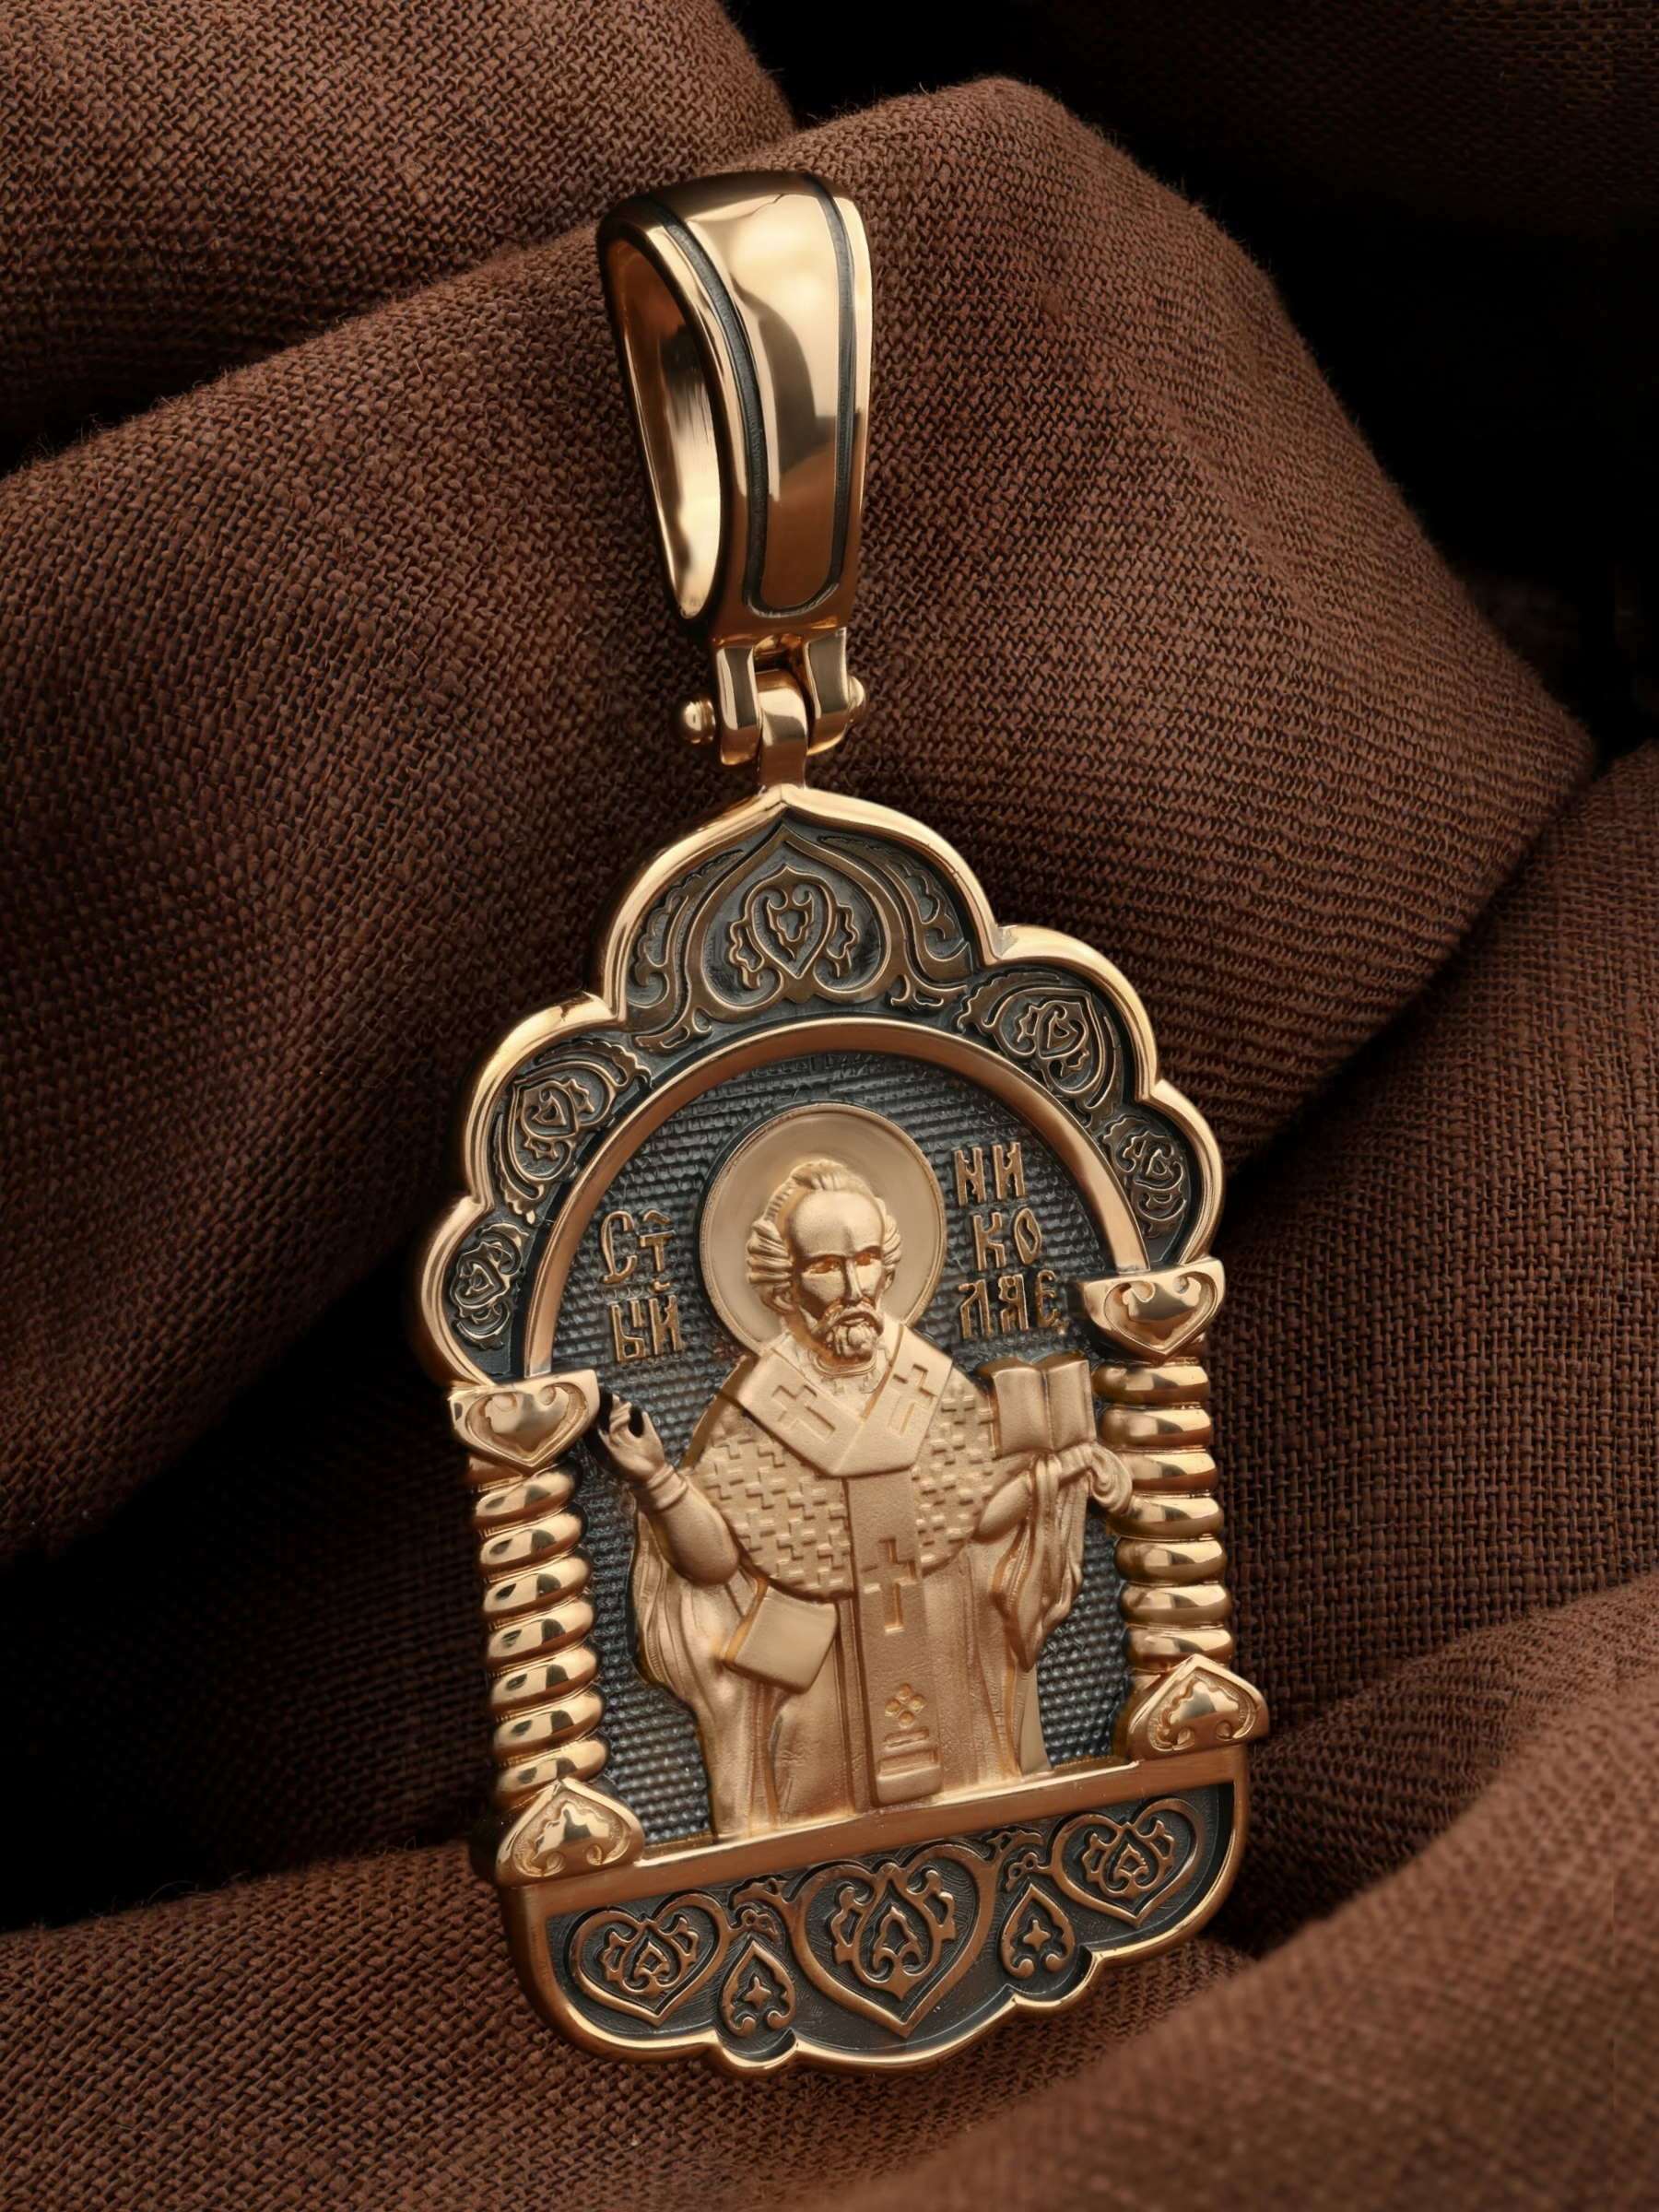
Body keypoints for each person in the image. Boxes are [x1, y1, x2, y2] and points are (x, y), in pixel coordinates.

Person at [598, 1155, 1129, 1838]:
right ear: (783, 1284)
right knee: (813, 1830)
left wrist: (1059, 1474)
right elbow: (717, 1565)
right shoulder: (757, 1407)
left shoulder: (930, 1381)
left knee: (981, 1810)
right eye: (826, 1266)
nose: (854, 1287)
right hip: (822, 1674)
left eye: (869, 1260)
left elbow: (971, 1521)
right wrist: (655, 1479)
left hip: (947, 1647)